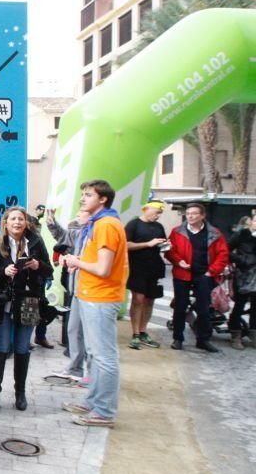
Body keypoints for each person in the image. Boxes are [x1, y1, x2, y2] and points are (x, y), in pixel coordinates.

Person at [61, 180, 129, 428]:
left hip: (101, 297)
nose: (83, 199)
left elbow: (103, 268)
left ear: (103, 199)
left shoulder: (107, 225)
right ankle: (93, 401)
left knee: (103, 357)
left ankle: (104, 410)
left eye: (88, 195)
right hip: (91, 294)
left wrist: (77, 262)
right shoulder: (98, 224)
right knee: (94, 353)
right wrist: (77, 258)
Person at [0, 206, 52, 413]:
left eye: (21, 219)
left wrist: (38, 266)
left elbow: (49, 270)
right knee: (1, 347)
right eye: (13, 219)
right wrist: (2, 271)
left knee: (22, 348)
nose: (17, 223)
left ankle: (20, 393)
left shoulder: (36, 242)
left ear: (26, 222)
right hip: (3, 303)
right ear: (5, 222)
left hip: (29, 301)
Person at [165, 203, 229, 353]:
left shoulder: (214, 233)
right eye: (188, 214)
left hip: (204, 275)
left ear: (202, 216)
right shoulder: (177, 232)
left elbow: (223, 254)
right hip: (183, 274)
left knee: (204, 309)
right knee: (180, 306)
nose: (190, 216)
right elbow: (169, 250)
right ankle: (178, 338)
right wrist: (178, 261)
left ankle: (203, 340)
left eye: (194, 213)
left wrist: (212, 271)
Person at [46, 209, 91, 382]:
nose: (78, 213)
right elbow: (62, 235)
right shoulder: (79, 233)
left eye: (82, 211)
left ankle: (92, 375)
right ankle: (75, 368)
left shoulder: (98, 232)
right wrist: (52, 223)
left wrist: (77, 262)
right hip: (77, 290)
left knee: (89, 335)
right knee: (73, 330)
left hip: (91, 292)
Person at [125, 201, 167, 349]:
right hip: (137, 267)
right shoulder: (134, 224)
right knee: (138, 299)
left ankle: (143, 331)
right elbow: (125, 244)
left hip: (154, 267)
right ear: (146, 209)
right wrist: (148, 244)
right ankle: (135, 333)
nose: (158, 216)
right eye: (156, 212)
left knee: (150, 300)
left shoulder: (159, 226)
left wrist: (165, 246)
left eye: (160, 213)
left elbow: (162, 243)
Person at [229, 215, 256, 349]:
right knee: (239, 305)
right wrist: (241, 260)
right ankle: (235, 334)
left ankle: (253, 333)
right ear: (252, 221)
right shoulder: (242, 234)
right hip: (244, 275)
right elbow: (227, 250)